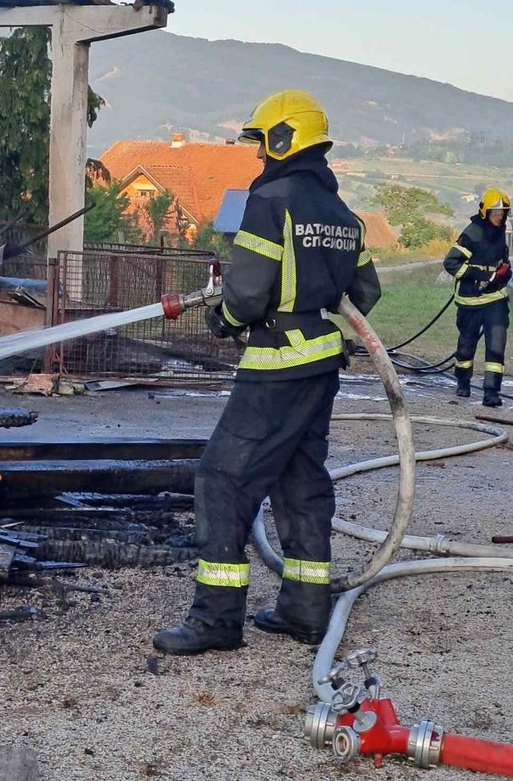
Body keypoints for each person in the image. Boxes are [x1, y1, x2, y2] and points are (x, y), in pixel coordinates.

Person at [152, 90, 381, 656]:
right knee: (301, 481)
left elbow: (248, 294)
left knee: (220, 480)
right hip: (321, 362)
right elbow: (367, 291)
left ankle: (216, 619)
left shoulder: (270, 200)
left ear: (285, 139)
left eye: (262, 141)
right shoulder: (342, 215)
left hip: (276, 362)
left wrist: (225, 317)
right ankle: (306, 609)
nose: (258, 155)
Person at [443, 188, 513, 407]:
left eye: (503, 213)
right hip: (470, 301)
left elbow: (503, 260)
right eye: (495, 212)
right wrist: (483, 276)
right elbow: (451, 263)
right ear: (484, 211)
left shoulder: (500, 232)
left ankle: (491, 392)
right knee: (466, 346)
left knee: (497, 345)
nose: (499, 216)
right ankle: (463, 383)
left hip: (496, 299)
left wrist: (505, 273)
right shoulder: (471, 233)